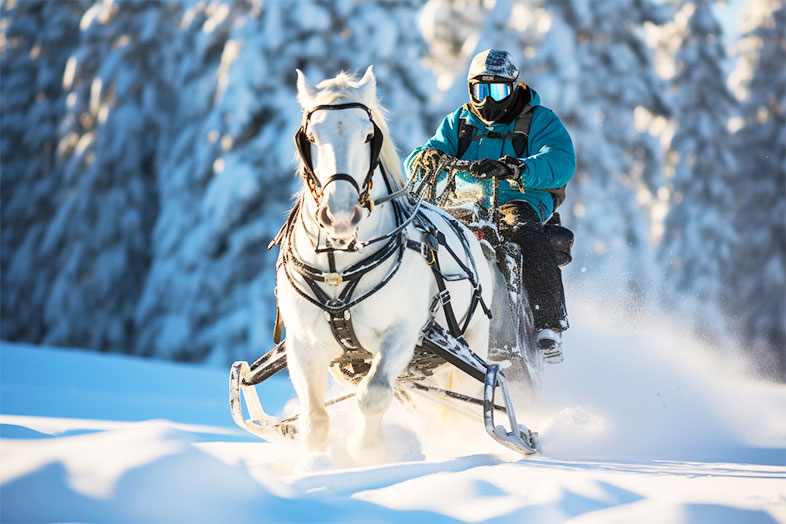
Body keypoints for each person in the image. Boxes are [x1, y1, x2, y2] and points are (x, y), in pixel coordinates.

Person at [405, 49, 575, 363]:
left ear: (514, 88)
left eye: (497, 90)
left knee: (518, 228)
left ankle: (547, 322)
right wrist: (425, 158)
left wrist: (516, 169)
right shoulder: (460, 121)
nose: (488, 100)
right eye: (480, 90)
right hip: (464, 203)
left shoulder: (538, 120)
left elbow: (560, 160)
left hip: (520, 199)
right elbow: (425, 153)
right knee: (423, 235)